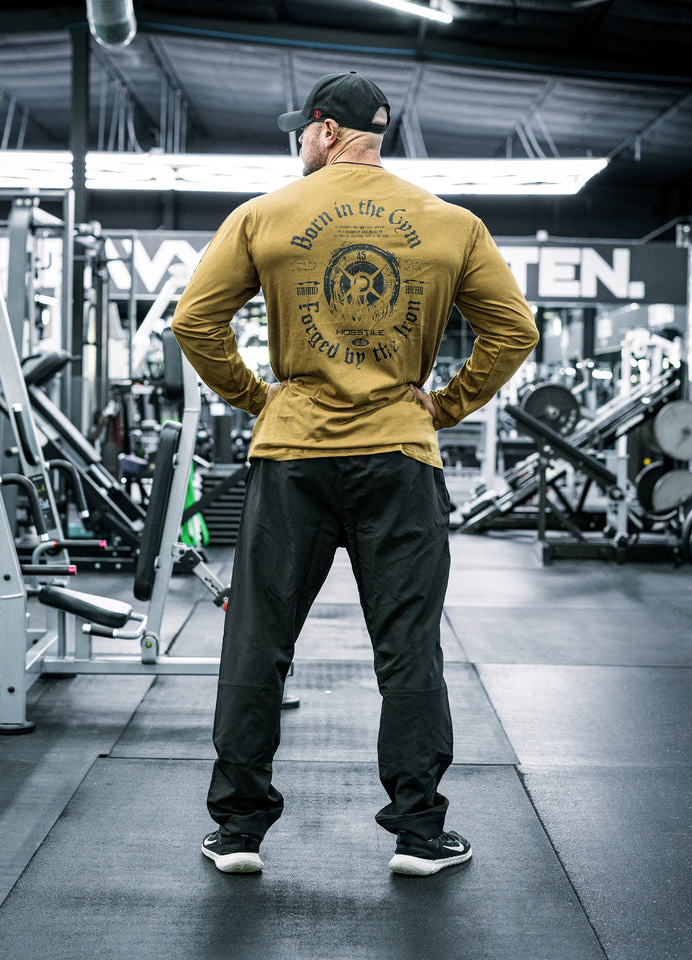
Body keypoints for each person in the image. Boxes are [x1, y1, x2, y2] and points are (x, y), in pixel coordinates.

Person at [171, 71, 539, 877]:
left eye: (300, 133)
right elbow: (515, 332)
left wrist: (256, 398)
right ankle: (417, 833)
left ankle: (237, 832)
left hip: (292, 455)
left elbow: (193, 322)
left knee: (257, 644)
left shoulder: (264, 214)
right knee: (408, 649)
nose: (299, 145)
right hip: (399, 458)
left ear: (324, 131)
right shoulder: (452, 224)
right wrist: (442, 406)